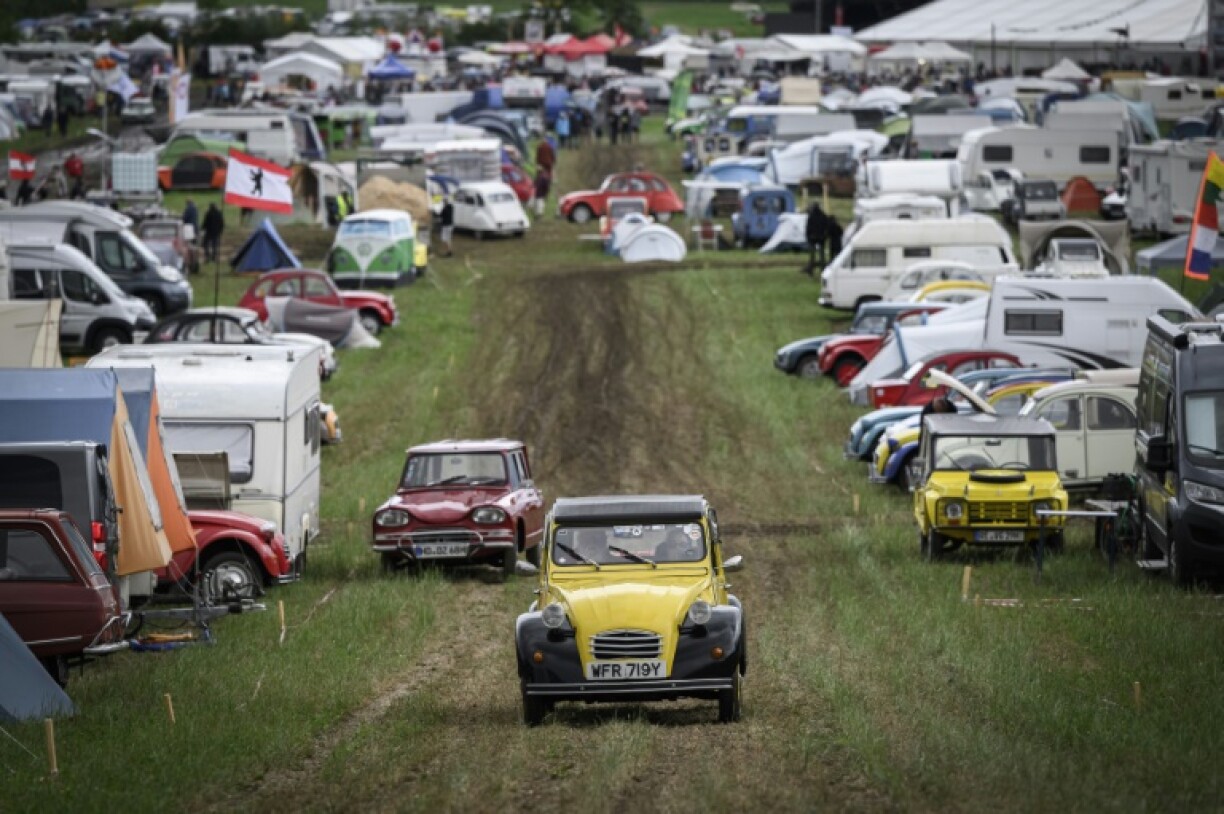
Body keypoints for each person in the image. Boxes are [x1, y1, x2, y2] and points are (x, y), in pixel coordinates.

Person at [803, 202, 829, 276]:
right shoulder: (823, 216)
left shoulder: (811, 216)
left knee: (812, 256)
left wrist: (808, 237)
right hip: (821, 238)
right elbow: (826, 227)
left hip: (812, 238)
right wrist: (824, 236)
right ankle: (823, 270)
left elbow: (808, 228)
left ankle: (810, 270)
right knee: (822, 256)